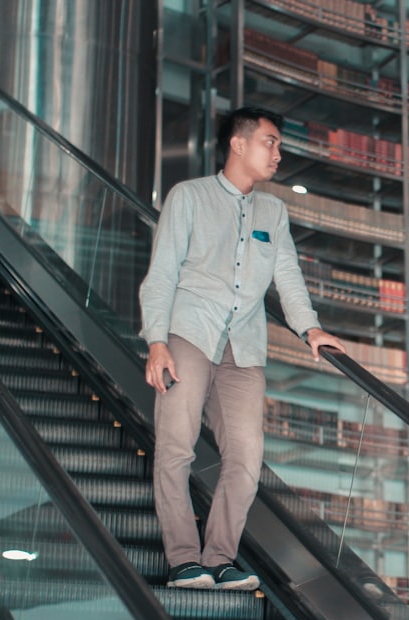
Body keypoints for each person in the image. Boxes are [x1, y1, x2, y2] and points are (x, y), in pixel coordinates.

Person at [139, 106, 345, 590]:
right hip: (188, 333)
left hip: (244, 349)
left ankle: (221, 558)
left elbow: (289, 278)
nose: (278, 153)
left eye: (279, 145)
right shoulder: (188, 197)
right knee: (176, 449)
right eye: (270, 142)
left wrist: (310, 329)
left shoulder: (274, 212)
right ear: (238, 143)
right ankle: (184, 560)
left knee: (248, 458)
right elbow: (162, 274)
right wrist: (156, 342)